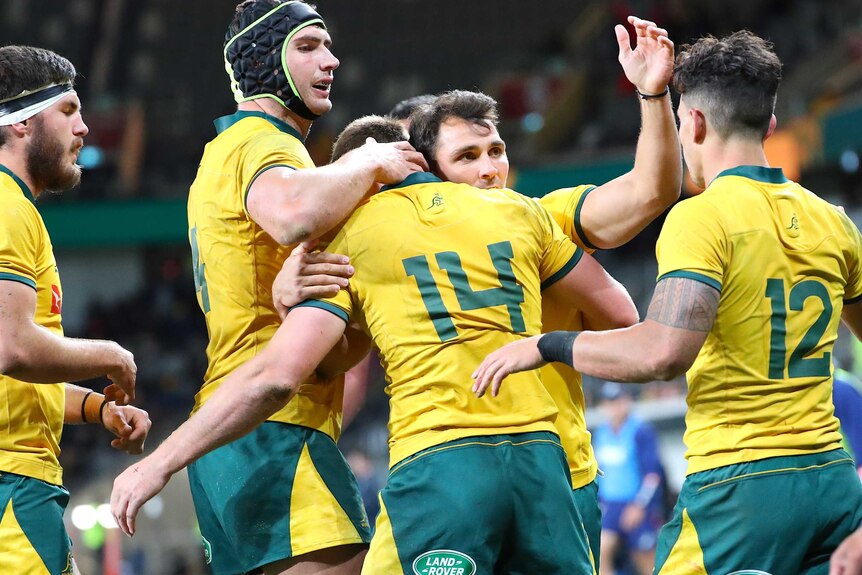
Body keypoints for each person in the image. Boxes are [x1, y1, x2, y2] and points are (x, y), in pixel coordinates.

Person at [112, 114, 639, 574]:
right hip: (548, 463)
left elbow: (276, 375)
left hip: (442, 458)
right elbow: (621, 315)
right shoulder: (519, 211)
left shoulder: (353, 236)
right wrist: (543, 342)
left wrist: (159, 463)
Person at [474, 30, 862, 574]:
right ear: (769, 125)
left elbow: (662, 353)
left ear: (694, 124)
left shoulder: (704, 217)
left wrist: (549, 345)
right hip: (833, 481)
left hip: (741, 486)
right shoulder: (835, 222)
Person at [402, 16, 679, 569]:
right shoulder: (391, 243)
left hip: (558, 475)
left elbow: (652, 190)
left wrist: (651, 95)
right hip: (451, 474)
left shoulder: (544, 219)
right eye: (469, 157)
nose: (490, 170)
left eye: (496, 151)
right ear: (425, 172)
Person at [179, 2, 427, 574]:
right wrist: (371, 159)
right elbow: (290, 213)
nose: (331, 60)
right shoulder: (264, 144)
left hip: (232, 426)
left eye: (328, 46)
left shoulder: (223, 152)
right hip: (273, 424)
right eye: (309, 46)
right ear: (264, 59)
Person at [0, 45, 150, 575]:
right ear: (20, 123)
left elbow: (12, 378)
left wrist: (97, 409)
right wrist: (110, 353)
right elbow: (13, 348)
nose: (85, 128)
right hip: (12, 487)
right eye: (69, 111)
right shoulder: (8, 207)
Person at [592, 383, 663, 575]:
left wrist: (640, 505)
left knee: (645, 559)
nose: (613, 407)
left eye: (617, 401)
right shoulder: (601, 433)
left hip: (635, 505)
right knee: (600, 552)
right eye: (608, 402)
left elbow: (652, 474)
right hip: (610, 505)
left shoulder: (641, 431)